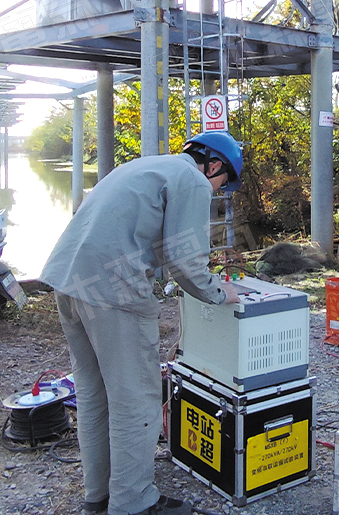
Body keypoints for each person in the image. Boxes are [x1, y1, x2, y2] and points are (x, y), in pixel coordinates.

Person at [40, 132, 244, 515]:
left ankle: (99, 495)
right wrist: (221, 293)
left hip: (69, 282)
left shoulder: (147, 166)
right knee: (134, 399)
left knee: (94, 393)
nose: (217, 191)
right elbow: (185, 260)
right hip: (113, 291)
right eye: (222, 183)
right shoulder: (193, 180)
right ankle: (133, 503)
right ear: (214, 165)